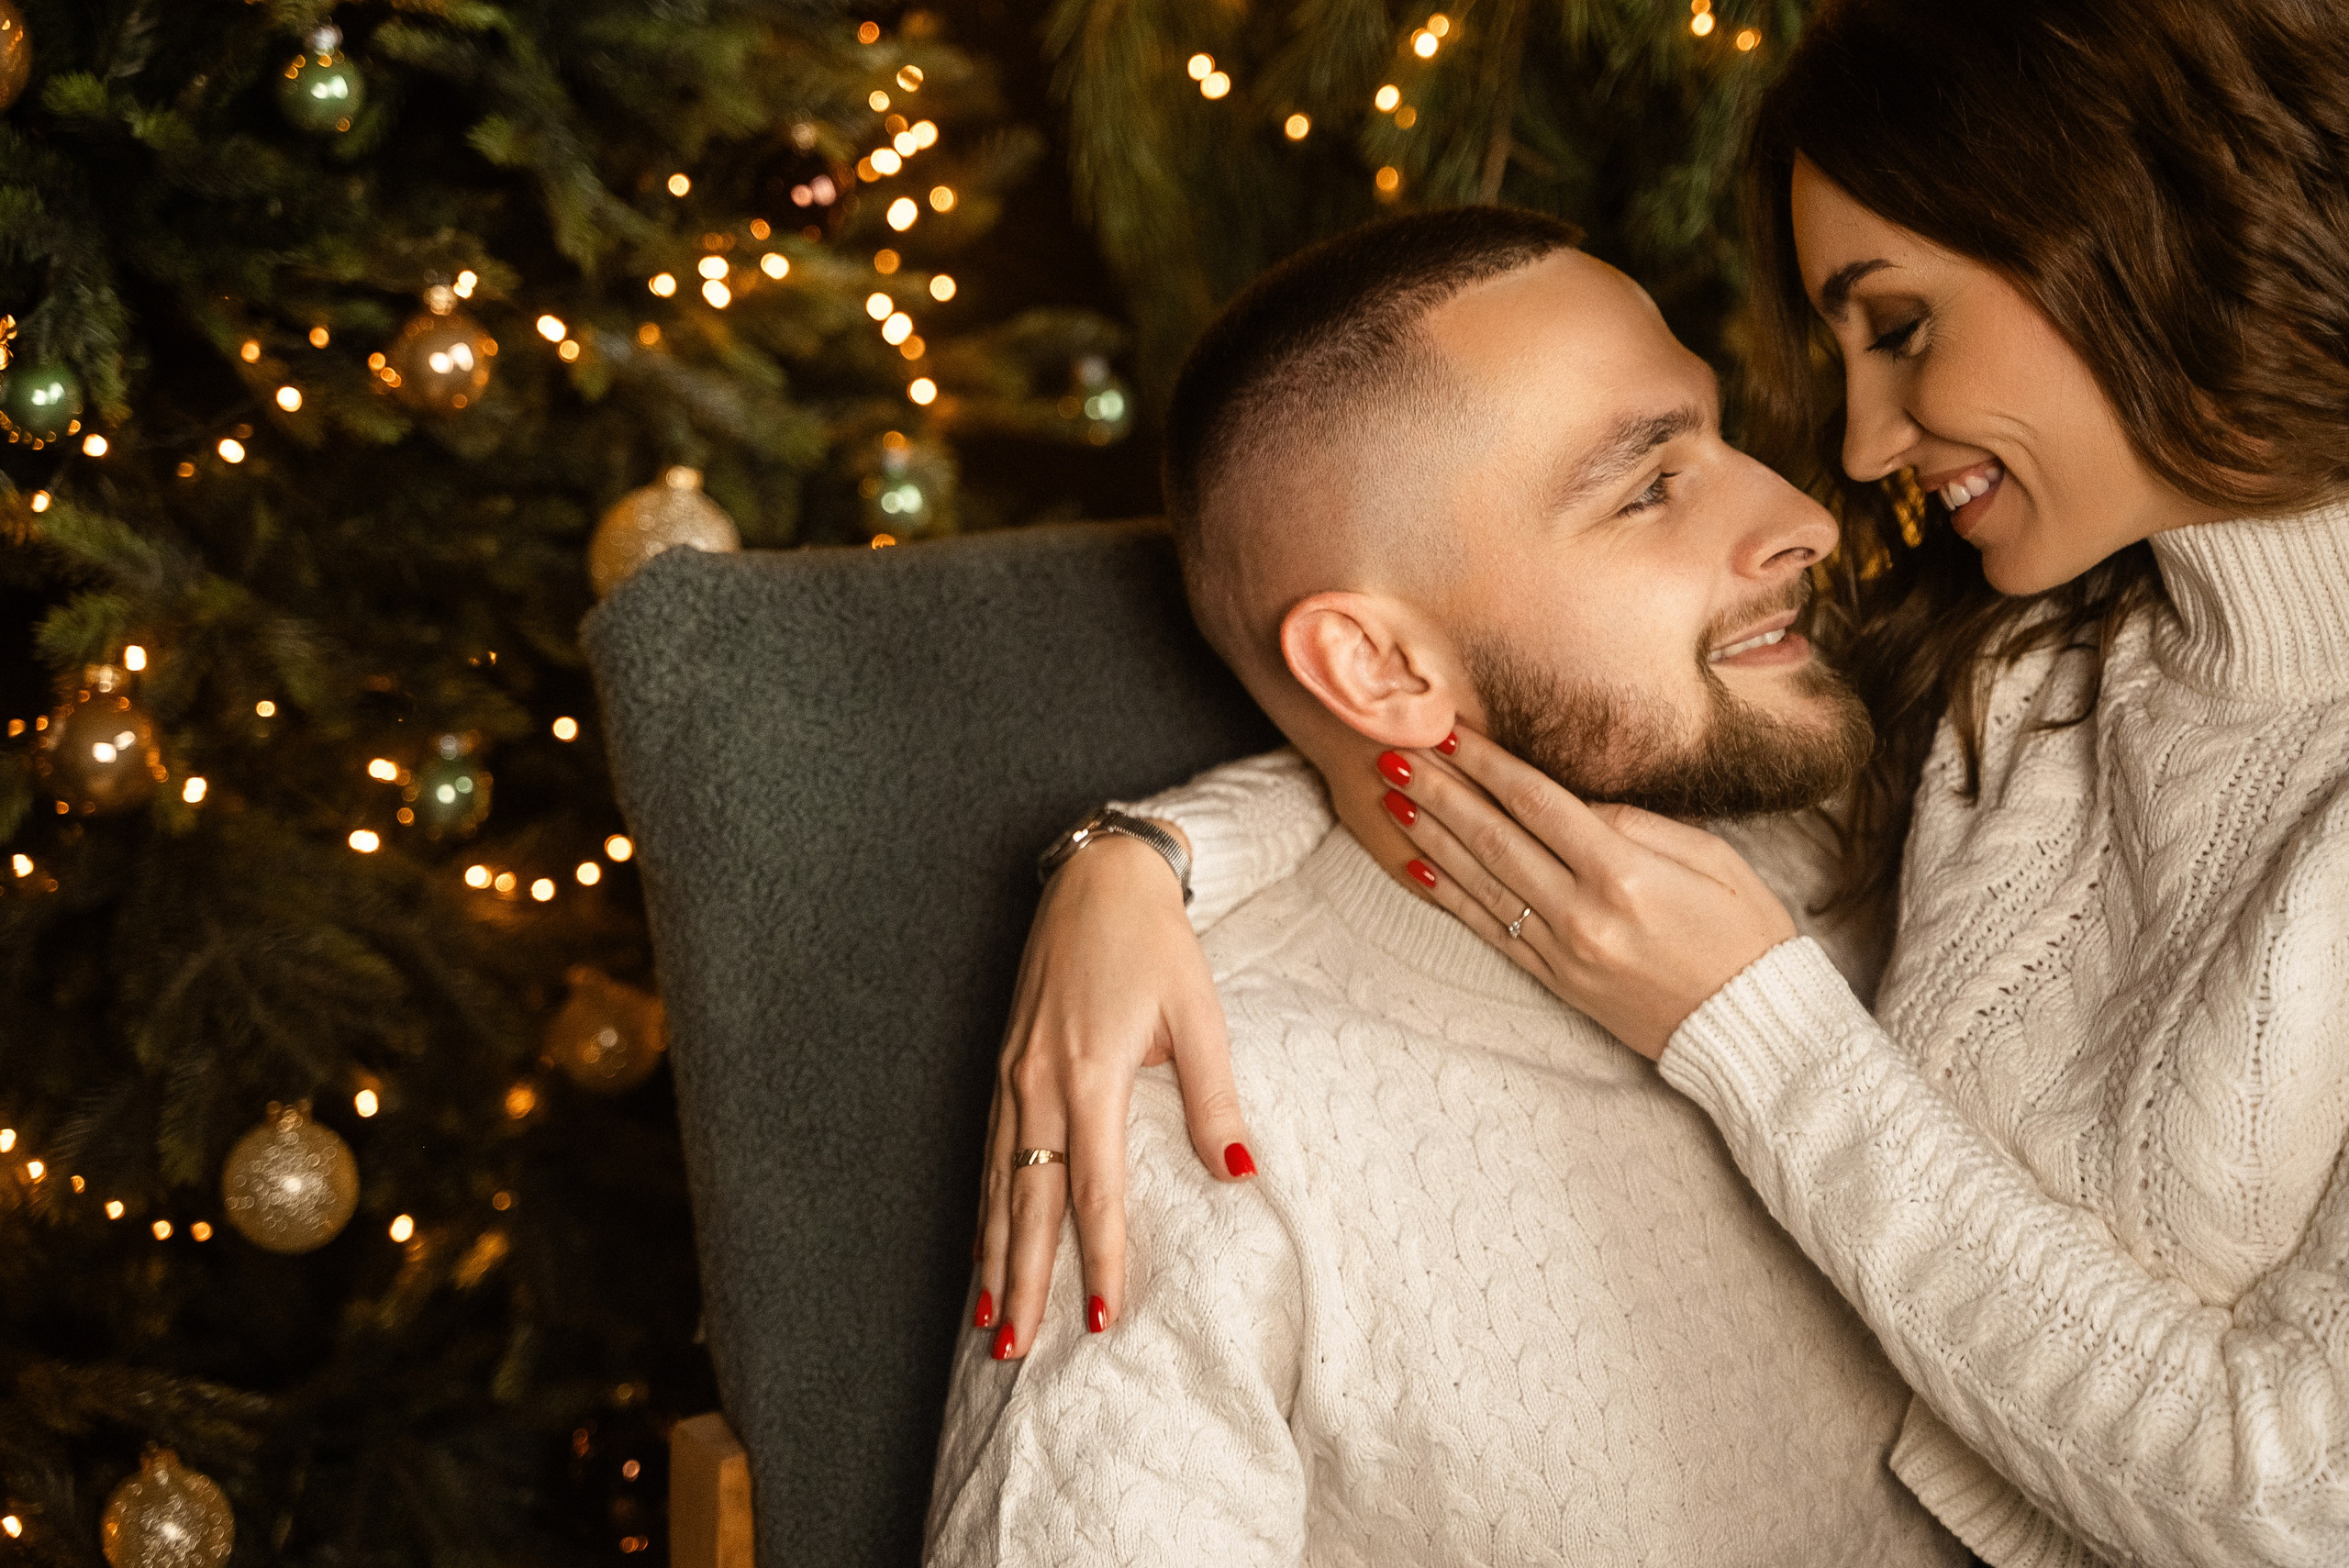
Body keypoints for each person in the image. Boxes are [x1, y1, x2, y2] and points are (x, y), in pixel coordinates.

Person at [974, 2, 2349, 1565]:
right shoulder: (2020, 674)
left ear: (2149, 229)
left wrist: (1754, 1028)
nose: (1838, 476)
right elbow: (1523, 723)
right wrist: (1139, 858)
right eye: (1647, 486)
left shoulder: (1798, 890)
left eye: (1901, 325)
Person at [926, 206, 1965, 1565]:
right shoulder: (1198, 1116)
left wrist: (1138, 849)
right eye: (1647, 489)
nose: (1805, 519)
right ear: (1378, 668)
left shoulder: (1903, 847)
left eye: (1720, 439)